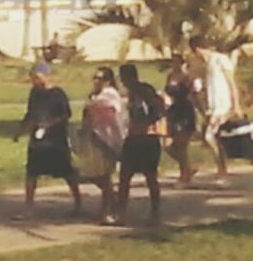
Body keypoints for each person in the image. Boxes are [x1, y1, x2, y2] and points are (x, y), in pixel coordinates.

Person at [12, 62, 81, 219]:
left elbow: (66, 115)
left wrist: (49, 124)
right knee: (31, 172)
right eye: (32, 78)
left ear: (46, 76)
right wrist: (21, 130)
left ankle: (78, 201)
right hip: (37, 139)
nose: (34, 81)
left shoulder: (58, 94)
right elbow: (30, 113)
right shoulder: (34, 93)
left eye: (37, 77)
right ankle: (28, 207)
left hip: (55, 140)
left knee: (66, 172)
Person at [188, 36, 241, 184]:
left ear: (197, 49)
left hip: (223, 105)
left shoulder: (220, 60)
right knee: (213, 138)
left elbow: (231, 83)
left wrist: (236, 104)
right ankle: (221, 170)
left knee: (209, 137)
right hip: (213, 106)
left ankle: (222, 172)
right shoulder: (207, 64)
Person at [116, 63, 164, 225]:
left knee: (150, 177)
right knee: (124, 177)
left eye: (124, 77)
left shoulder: (145, 92)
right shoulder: (130, 94)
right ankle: (121, 214)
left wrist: (147, 125)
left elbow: (158, 111)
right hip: (132, 139)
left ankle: (155, 213)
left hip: (146, 139)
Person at [78, 66, 126, 224]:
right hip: (94, 137)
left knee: (105, 176)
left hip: (108, 138)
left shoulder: (110, 95)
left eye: (100, 78)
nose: (96, 81)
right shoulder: (95, 95)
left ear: (108, 81)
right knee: (95, 175)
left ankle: (107, 210)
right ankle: (113, 201)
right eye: (95, 77)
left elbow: (109, 113)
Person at [164, 55, 199, 186]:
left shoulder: (187, 77)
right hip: (173, 110)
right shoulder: (170, 76)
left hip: (185, 110)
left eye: (177, 62)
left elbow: (194, 95)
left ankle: (184, 175)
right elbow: (167, 92)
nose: (174, 64)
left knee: (181, 144)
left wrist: (200, 111)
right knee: (168, 145)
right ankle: (187, 167)